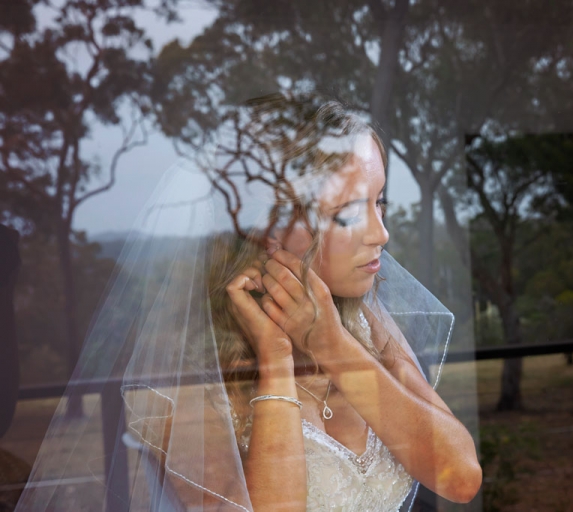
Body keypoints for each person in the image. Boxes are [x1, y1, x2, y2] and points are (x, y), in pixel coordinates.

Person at [16, 93, 481, 511]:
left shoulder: (366, 325)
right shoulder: (191, 383)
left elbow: (460, 478)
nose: (381, 233)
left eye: (380, 203)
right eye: (348, 213)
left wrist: (333, 346)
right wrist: (277, 359)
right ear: (268, 228)